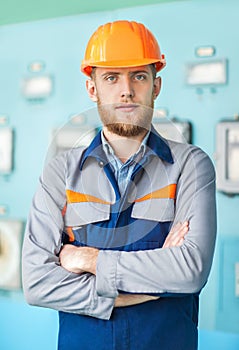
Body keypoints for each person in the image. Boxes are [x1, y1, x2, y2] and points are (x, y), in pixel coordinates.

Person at [22, 20, 217, 350]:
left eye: (139, 76)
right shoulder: (60, 173)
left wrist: (88, 260)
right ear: (92, 88)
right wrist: (150, 287)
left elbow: (189, 270)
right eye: (112, 77)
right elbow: (38, 283)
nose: (126, 89)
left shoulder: (190, 166)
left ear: (156, 86)